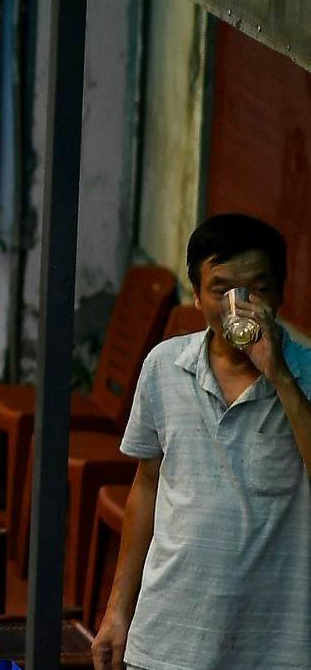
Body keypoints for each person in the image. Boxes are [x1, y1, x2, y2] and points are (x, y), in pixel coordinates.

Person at [94, 213, 311, 670]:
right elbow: (147, 486)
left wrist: (281, 378)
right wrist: (118, 613)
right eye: (222, 289)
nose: (241, 303)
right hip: (168, 640)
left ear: (281, 292)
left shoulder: (305, 371)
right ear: (196, 295)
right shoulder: (164, 365)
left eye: (259, 287)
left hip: (273, 646)